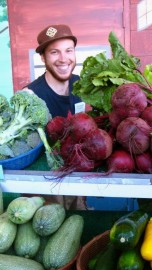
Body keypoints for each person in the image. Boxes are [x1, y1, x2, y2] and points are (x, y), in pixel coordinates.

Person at [25, 24, 88, 209]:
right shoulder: (30, 96)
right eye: (54, 52)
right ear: (43, 57)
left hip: (80, 178)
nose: (63, 59)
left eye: (68, 50)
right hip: (49, 188)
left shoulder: (84, 86)